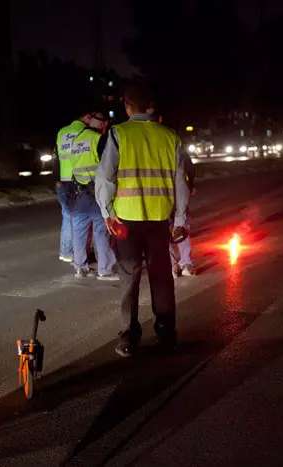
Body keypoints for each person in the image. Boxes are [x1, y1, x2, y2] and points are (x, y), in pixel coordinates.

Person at [96, 83, 189, 358]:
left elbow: (105, 178)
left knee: (129, 278)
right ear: (150, 106)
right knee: (162, 279)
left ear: (127, 105)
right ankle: (167, 334)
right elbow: (181, 181)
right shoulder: (170, 136)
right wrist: (181, 218)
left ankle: (128, 338)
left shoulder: (119, 134)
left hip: (126, 220)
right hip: (160, 220)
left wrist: (107, 213)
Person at [69, 111, 119, 280]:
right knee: (101, 231)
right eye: (104, 127)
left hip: (79, 192)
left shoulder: (76, 140)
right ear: (100, 124)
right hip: (96, 191)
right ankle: (104, 270)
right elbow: (108, 166)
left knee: (79, 232)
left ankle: (80, 268)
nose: (105, 130)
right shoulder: (98, 139)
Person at [54, 116, 84, 263]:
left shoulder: (62, 132)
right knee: (77, 219)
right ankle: (72, 252)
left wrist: (57, 179)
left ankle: (65, 252)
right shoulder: (84, 132)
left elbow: (56, 157)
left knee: (67, 217)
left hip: (62, 180)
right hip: (76, 179)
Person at [171, 147, 196, 277]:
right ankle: (186, 263)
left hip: (156, 196)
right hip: (177, 192)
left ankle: (172, 266)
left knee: (162, 231)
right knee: (181, 226)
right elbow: (188, 168)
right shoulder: (174, 143)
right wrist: (190, 185)